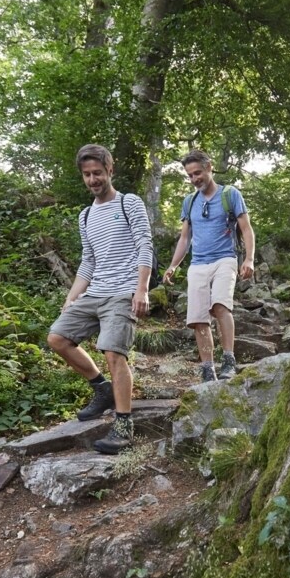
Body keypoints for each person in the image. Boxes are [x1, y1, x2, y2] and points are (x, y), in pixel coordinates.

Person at [47, 144, 153, 454]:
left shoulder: (129, 203)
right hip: (95, 292)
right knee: (57, 338)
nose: (93, 179)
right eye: (87, 174)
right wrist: (72, 297)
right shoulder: (85, 215)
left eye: (97, 173)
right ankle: (101, 388)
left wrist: (142, 288)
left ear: (110, 171)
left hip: (123, 292)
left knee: (112, 353)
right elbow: (88, 261)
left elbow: (145, 246)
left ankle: (123, 426)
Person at [163, 149, 256, 382]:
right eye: (190, 176)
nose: (195, 179)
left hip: (225, 258)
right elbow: (185, 238)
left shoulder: (230, 194)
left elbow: (246, 229)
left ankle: (228, 359)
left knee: (220, 306)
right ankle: (207, 367)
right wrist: (174, 265)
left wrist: (249, 259)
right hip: (198, 264)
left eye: (198, 173)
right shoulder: (189, 201)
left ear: (209, 168)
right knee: (197, 318)